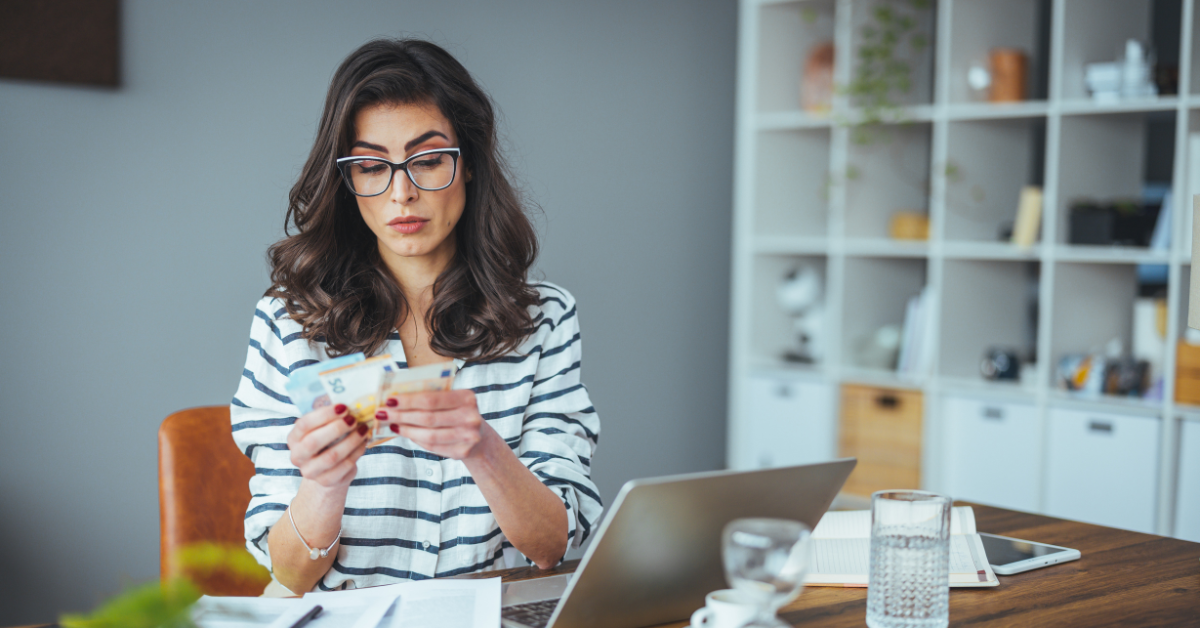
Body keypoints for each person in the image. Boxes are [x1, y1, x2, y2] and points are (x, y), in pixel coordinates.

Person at [230, 38, 601, 594]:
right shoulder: (289, 320)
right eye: (371, 166)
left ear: (468, 163)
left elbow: (552, 547)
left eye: (428, 161)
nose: (401, 193)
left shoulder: (544, 318)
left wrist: (484, 449)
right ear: (347, 178)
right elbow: (289, 573)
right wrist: (325, 485)